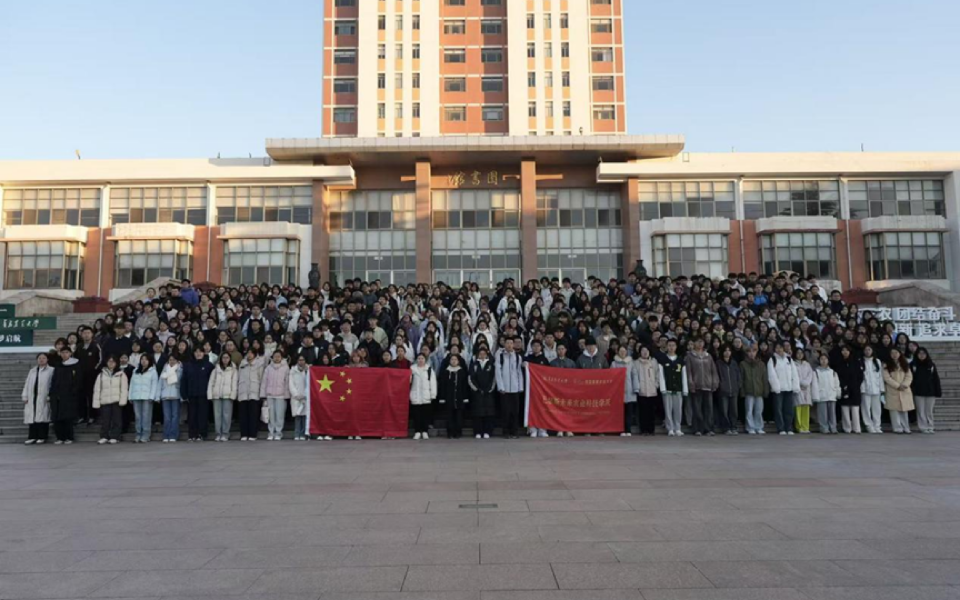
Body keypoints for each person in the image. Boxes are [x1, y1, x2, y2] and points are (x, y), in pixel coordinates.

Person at [685, 338, 718, 437]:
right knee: (697, 409)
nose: (700, 344)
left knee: (709, 409)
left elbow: (713, 370)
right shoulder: (690, 356)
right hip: (696, 386)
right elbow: (689, 371)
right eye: (698, 342)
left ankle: (708, 429)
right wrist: (691, 383)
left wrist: (714, 382)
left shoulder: (708, 356)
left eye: (701, 342)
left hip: (708, 385)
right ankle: (697, 429)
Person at [49, 347, 82, 444]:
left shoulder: (76, 364)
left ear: (70, 353)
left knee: (67, 417)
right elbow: (54, 380)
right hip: (57, 395)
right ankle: (60, 437)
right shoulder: (58, 365)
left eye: (66, 352)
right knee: (57, 417)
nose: (64, 354)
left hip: (69, 395)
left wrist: (74, 391)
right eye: (62, 352)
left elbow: (78, 380)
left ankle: (69, 437)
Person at [92, 356, 129, 445]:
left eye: (113, 361)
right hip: (105, 400)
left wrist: (123, 400)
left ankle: (115, 436)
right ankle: (104, 436)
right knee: (105, 420)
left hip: (116, 401)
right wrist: (96, 402)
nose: (111, 363)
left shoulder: (121, 374)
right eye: (109, 361)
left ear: (116, 363)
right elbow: (97, 389)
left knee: (117, 420)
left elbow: (124, 389)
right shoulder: (101, 375)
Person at [181, 347, 215, 442]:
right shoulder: (188, 365)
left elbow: (213, 380)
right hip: (191, 394)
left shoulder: (209, 365)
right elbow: (184, 380)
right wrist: (184, 394)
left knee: (202, 415)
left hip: (204, 395)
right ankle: (192, 434)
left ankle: (202, 434)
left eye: (200, 351)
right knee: (192, 416)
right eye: (196, 351)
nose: (198, 353)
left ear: (204, 353)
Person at [767, 342, 800, 436]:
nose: (779, 349)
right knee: (778, 409)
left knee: (789, 409)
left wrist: (795, 386)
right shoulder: (772, 359)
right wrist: (776, 387)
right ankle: (781, 428)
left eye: (780, 347)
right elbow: (771, 375)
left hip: (789, 388)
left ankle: (789, 427)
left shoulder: (788, 359)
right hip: (778, 389)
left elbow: (794, 373)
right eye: (777, 348)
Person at [495, 336, 524, 439]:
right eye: (507, 343)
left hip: (515, 388)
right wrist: (500, 387)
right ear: (504, 344)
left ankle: (514, 431)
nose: (509, 345)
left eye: (511, 343)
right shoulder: (500, 356)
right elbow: (498, 372)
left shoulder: (518, 357)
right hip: (505, 389)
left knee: (515, 412)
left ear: (514, 345)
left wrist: (520, 386)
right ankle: (506, 431)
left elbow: (519, 372)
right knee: (505, 411)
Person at [22, 353, 54, 445]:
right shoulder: (32, 371)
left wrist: (50, 395)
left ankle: (42, 436)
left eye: (44, 358)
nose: (41, 360)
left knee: (43, 417)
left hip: (44, 396)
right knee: (32, 417)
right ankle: (32, 436)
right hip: (32, 396)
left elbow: (52, 384)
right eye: (39, 358)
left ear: (47, 359)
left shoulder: (51, 370)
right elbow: (27, 383)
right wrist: (25, 395)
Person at [260, 350, 291, 441]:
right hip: (270, 395)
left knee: (279, 415)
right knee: (271, 416)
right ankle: (271, 432)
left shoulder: (286, 368)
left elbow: (287, 383)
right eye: (275, 356)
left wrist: (286, 395)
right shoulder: (268, 368)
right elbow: (264, 382)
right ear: (272, 357)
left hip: (281, 396)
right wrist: (263, 395)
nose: (276, 358)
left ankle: (278, 433)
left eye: (278, 356)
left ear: (281, 357)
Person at [207, 352, 239, 442]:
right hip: (216, 395)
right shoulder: (215, 370)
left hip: (227, 395)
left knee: (227, 415)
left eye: (227, 357)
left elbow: (234, 384)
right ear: (221, 359)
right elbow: (211, 383)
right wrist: (210, 395)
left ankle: (225, 433)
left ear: (230, 359)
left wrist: (233, 395)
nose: (225, 359)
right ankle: (218, 433)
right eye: (223, 357)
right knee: (217, 415)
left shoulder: (233, 370)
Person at [128, 355, 160, 443]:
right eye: (142, 359)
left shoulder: (153, 371)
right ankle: (138, 434)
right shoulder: (135, 371)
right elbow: (132, 384)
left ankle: (146, 435)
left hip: (147, 397)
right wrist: (130, 396)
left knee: (146, 417)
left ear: (149, 361)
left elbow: (154, 384)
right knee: (138, 417)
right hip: (136, 396)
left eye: (146, 359)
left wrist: (152, 396)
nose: (144, 361)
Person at [883, 348, 914, 435]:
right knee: (894, 411)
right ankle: (897, 428)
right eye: (892, 353)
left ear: (900, 354)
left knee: (904, 410)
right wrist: (897, 385)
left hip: (904, 389)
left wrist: (905, 384)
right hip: (893, 389)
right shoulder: (886, 365)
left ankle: (906, 428)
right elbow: (887, 378)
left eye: (896, 353)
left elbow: (909, 376)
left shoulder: (904, 364)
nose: (894, 355)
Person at [659, 339, 686, 437]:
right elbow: (661, 375)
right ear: (666, 347)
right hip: (667, 388)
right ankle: (670, 428)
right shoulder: (663, 360)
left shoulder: (680, 360)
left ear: (676, 347)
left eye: (673, 345)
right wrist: (663, 388)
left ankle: (677, 428)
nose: (671, 347)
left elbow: (684, 375)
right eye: (669, 345)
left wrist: (685, 389)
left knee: (678, 409)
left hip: (678, 388)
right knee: (668, 409)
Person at [911, 347, 942, 434]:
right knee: (920, 411)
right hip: (918, 391)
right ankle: (923, 427)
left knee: (929, 411)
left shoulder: (931, 365)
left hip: (930, 391)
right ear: (916, 355)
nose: (922, 355)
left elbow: (936, 379)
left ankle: (930, 426)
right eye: (919, 353)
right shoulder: (913, 365)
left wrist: (938, 391)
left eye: (923, 353)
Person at [237, 350, 266, 441]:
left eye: (251, 353)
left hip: (254, 392)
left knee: (253, 415)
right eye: (248, 353)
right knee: (243, 415)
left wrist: (261, 393)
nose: (249, 355)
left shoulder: (259, 364)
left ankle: (253, 434)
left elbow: (261, 379)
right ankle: (244, 434)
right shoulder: (242, 364)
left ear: (254, 355)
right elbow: (238, 378)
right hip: (243, 392)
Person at [740, 345, 768, 435]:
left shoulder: (761, 364)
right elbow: (741, 379)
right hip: (748, 390)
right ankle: (750, 427)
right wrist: (742, 391)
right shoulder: (743, 364)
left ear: (756, 352)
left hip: (759, 390)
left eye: (753, 351)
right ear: (747, 353)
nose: (751, 353)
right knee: (749, 410)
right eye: (749, 351)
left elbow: (764, 378)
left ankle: (759, 427)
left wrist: (765, 390)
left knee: (759, 410)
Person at [469, 347, 497, 439]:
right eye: (480, 354)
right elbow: (470, 378)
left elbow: (494, 378)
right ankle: (478, 432)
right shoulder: (474, 365)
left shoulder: (491, 365)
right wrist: (477, 389)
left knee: (488, 413)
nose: (482, 355)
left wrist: (489, 389)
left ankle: (487, 431)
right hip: (477, 393)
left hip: (488, 393)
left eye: (484, 354)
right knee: (477, 413)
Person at [835, 346, 864, 434]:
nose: (845, 352)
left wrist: (855, 385)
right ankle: (847, 428)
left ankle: (856, 428)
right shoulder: (839, 362)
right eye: (843, 350)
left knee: (855, 409)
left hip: (855, 388)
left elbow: (860, 376)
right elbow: (838, 376)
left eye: (846, 350)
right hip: (843, 388)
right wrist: (843, 386)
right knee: (845, 409)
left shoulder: (856, 362)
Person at [439, 354, 469, 439]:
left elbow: (464, 386)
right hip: (449, 397)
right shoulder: (446, 372)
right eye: (452, 359)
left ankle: (458, 432)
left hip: (459, 397)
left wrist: (465, 397)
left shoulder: (461, 371)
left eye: (455, 359)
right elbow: (443, 385)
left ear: (458, 361)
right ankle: (450, 432)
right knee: (449, 416)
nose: (453, 361)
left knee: (459, 416)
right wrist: (442, 397)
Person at [612, 346, 639, 436]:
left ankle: (628, 429)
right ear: (618, 352)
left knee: (629, 412)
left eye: (624, 351)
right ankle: (621, 430)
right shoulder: (614, 363)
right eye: (621, 351)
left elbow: (634, 375)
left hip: (629, 390)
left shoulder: (631, 362)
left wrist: (636, 388)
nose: (623, 352)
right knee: (620, 412)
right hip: (618, 391)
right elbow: (611, 376)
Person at [715, 346, 742, 435]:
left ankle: (733, 427)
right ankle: (726, 428)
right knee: (724, 411)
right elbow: (716, 376)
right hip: (723, 391)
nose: (727, 352)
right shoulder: (718, 363)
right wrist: (720, 385)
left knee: (734, 411)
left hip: (734, 390)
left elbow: (738, 375)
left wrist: (738, 385)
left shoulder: (734, 363)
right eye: (725, 350)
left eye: (729, 350)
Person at [410, 354, 437, 440]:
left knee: (425, 415)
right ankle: (417, 431)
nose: (420, 360)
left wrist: (433, 394)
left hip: (426, 395)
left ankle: (425, 431)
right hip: (415, 395)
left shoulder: (429, 370)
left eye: (422, 358)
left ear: (425, 360)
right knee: (416, 416)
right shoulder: (412, 369)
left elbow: (433, 383)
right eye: (419, 358)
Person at [634, 346, 659, 436]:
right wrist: (638, 387)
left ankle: (651, 429)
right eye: (643, 350)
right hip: (641, 391)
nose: (645, 352)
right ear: (640, 352)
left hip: (652, 390)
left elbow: (657, 374)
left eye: (646, 350)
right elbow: (635, 376)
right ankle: (643, 429)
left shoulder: (654, 362)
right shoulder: (636, 363)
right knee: (642, 412)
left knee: (651, 411)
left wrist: (656, 385)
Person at [813, 353, 840, 434]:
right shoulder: (816, 372)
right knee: (823, 413)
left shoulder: (832, 372)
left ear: (828, 360)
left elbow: (836, 383)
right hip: (822, 395)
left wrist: (837, 393)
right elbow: (815, 385)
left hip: (831, 394)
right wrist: (816, 396)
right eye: (822, 359)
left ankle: (833, 427)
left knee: (832, 413)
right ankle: (824, 428)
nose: (824, 361)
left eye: (825, 359)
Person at [860, 345, 884, 434]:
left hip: (876, 388)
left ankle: (877, 426)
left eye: (869, 349)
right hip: (865, 389)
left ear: (872, 351)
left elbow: (880, 376)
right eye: (866, 350)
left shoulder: (877, 361)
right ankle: (869, 426)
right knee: (866, 408)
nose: (867, 351)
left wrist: (882, 388)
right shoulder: (861, 361)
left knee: (877, 409)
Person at [159, 355, 182, 442]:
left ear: (177, 361)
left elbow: (181, 383)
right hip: (165, 395)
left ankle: (173, 435)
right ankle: (166, 435)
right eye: (170, 360)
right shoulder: (164, 370)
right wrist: (158, 395)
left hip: (176, 395)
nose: (172, 361)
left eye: (174, 360)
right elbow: (160, 383)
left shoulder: (180, 369)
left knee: (175, 416)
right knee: (167, 417)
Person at [289, 355, 311, 441]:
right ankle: (297, 433)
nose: (301, 362)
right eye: (299, 360)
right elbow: (291, 384)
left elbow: (309, 383)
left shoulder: (308, 370)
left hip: (305, 397)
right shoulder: (292, 371)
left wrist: (305, 394)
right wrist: (296, 394)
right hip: (296, 397)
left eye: (303, 360)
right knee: (297, 416)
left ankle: (302, 434)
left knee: (304, 416)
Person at [794, 348, 815, 434]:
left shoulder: (807, 364)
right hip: (798, 387)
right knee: (798, 407)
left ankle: (805, 427)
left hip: (806, 388)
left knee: (806, 408)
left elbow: (810, 375)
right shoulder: (793, 364)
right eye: (798, 353)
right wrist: (800, 383)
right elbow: (794, 375)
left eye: (801, 353)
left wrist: (806, 383)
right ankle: (799, 427)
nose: (799, 355)